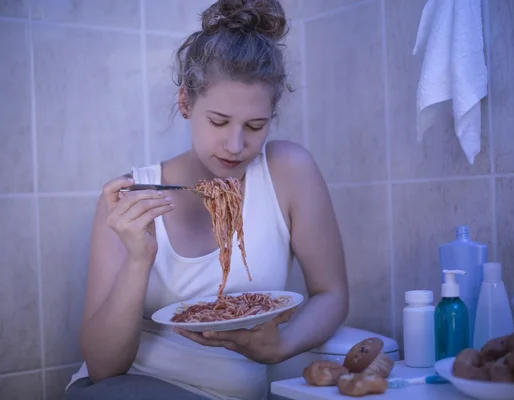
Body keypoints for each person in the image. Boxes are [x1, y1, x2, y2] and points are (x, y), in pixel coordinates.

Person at [64, 0, 349, 399]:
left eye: (255, 125)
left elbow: (331, 294)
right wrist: (139, 258)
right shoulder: (133, 195)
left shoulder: (289, 171)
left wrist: (281, 346)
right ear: (185, 103)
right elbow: (104, 368)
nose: (235, 146)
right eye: (218, 122)